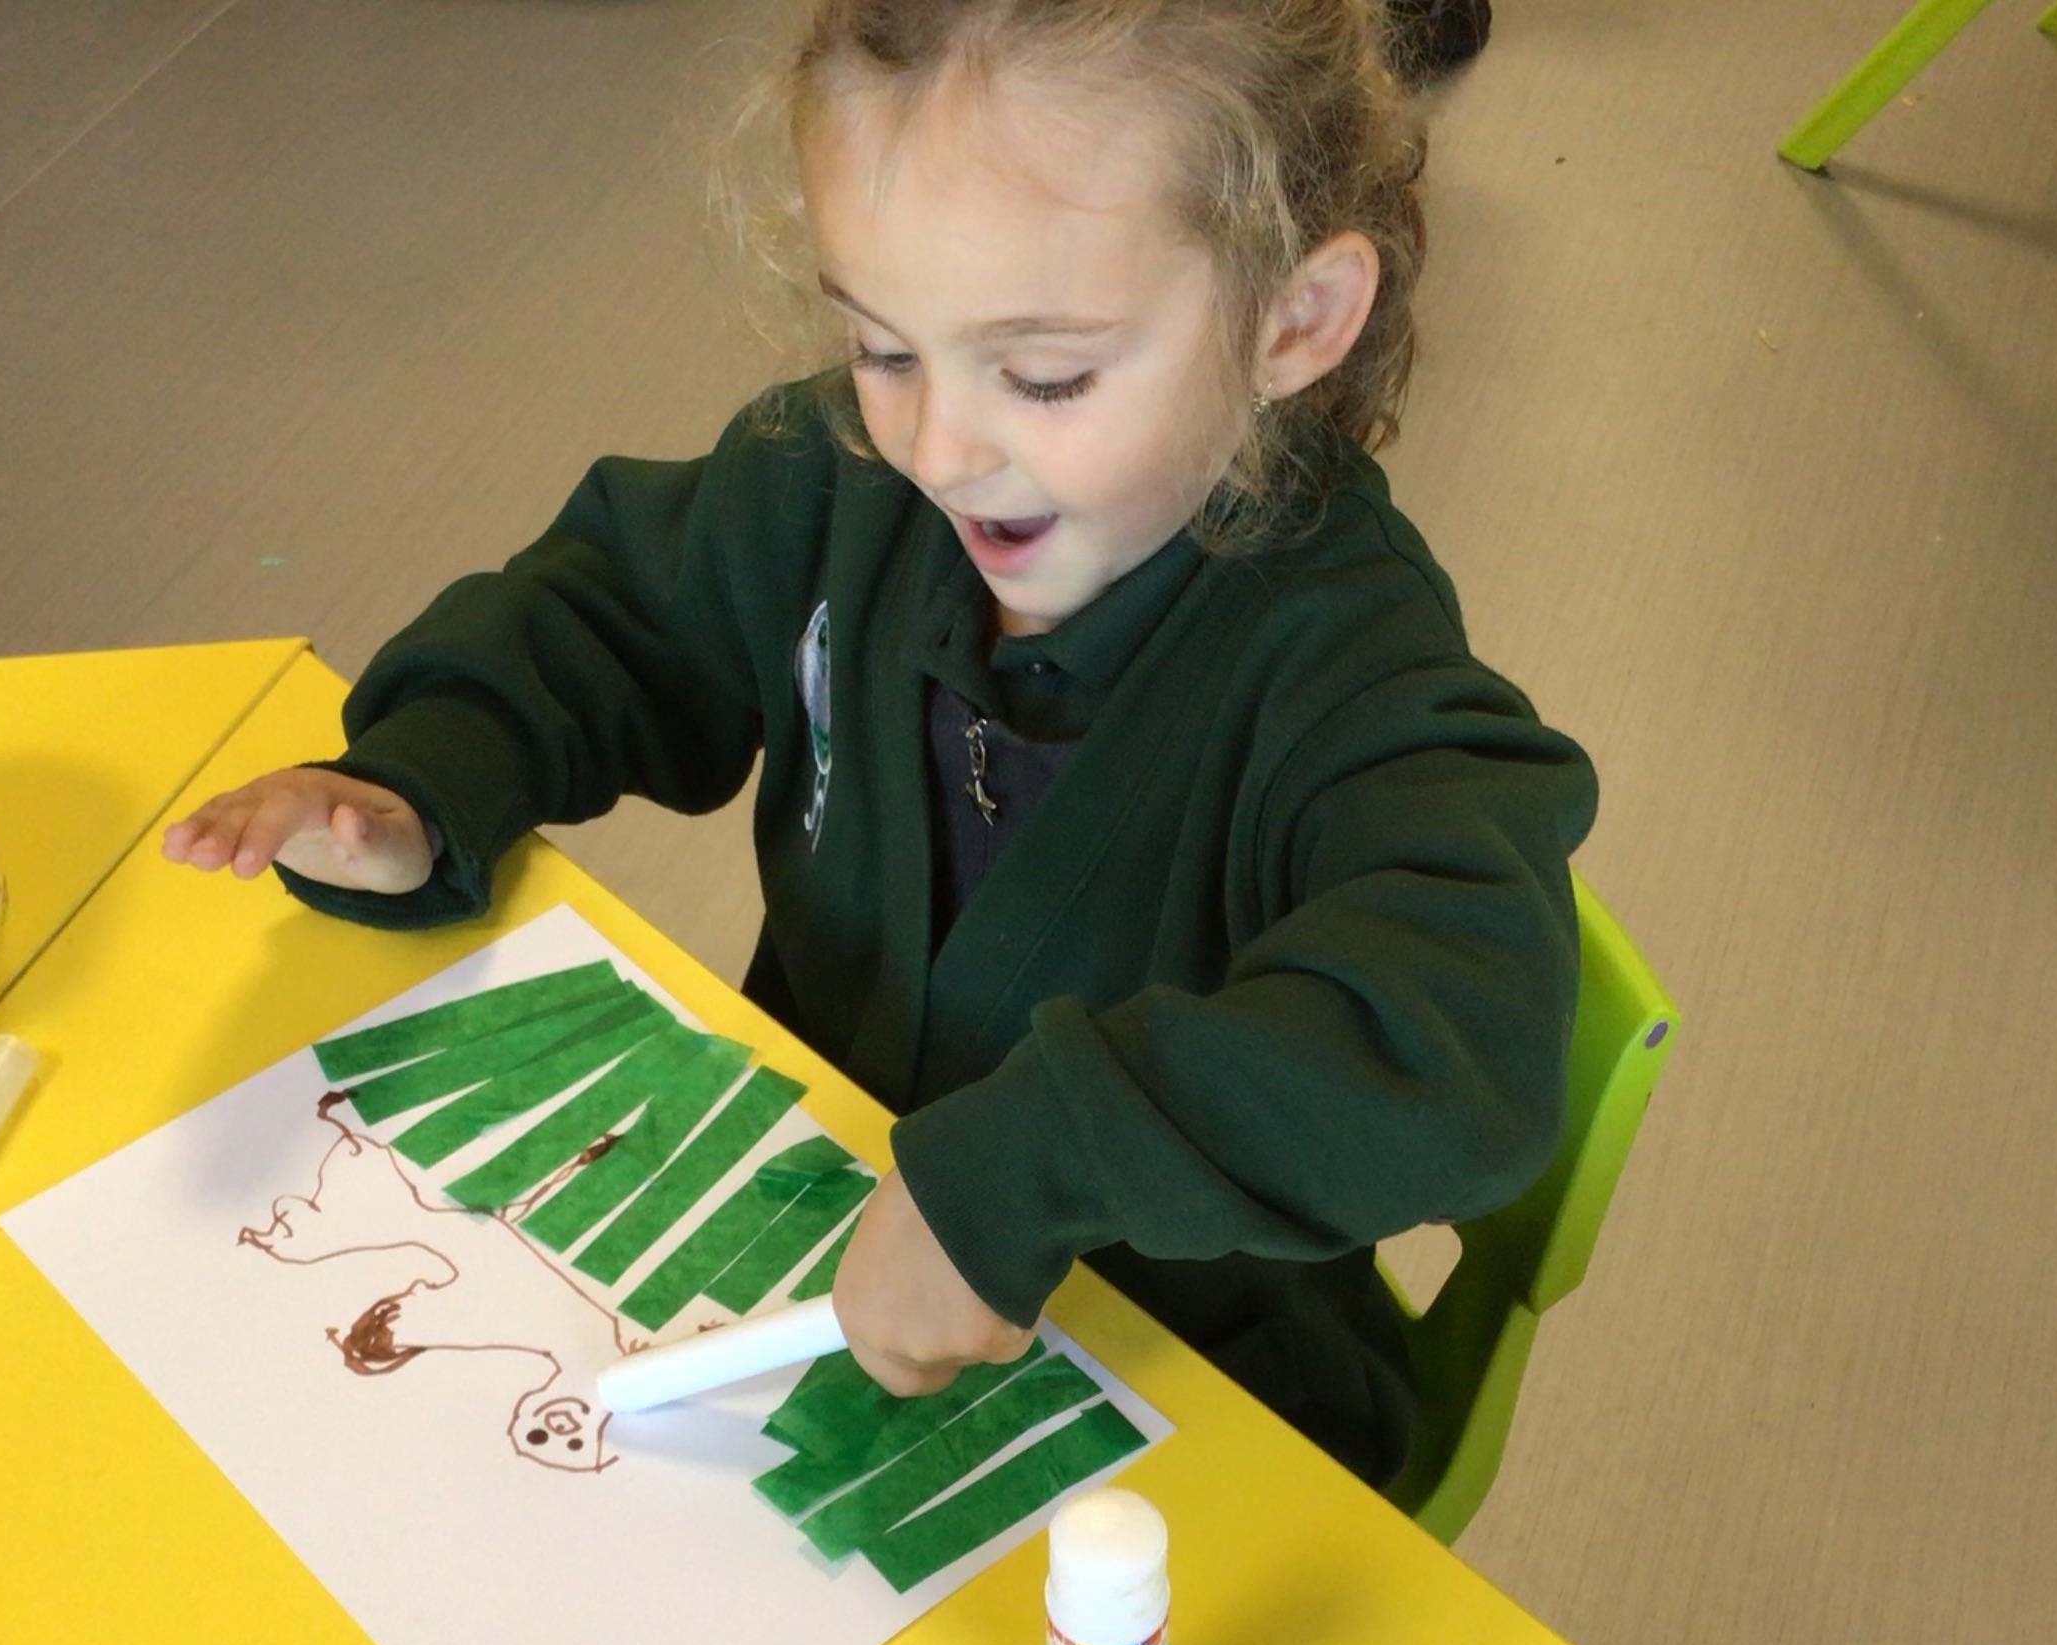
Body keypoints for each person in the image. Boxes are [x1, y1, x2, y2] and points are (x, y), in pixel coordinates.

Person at [163, 0, 1592, 1491]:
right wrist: (424, 781)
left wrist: (1032, 1167)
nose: (940, 450)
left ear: (1291, 323)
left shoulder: (1349, 673)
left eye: (1044, 376)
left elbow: (1460, 1045)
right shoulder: (834, 484)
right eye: (882, 346)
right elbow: (613, 618)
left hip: (1182, 1411)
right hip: (797, 1261)